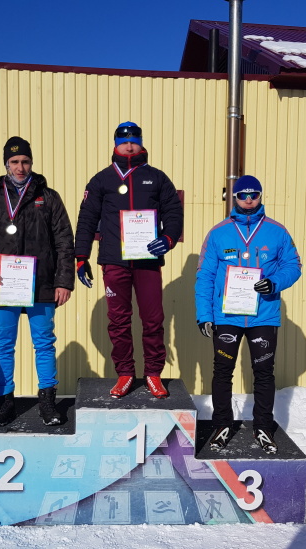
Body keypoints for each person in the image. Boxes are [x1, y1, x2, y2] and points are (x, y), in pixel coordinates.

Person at [0, 136, 74, 426]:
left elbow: (65, 241)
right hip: (5, 285)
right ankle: (4, 401)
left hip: (41, 285)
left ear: (31, 162)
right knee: (3, 344)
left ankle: (48, 401)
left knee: (44, 342)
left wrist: (64, 281)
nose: (20, 167)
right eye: (14, 162)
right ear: (6, 164)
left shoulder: (48, 197)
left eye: (25, 161)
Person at [75, 121, 183, 399]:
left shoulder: (156, 177)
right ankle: (125, 373)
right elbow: (87, 218)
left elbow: (173, 211)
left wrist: (168, 239)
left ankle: (153, 374)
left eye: (134, 139)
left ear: (141, 142)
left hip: (147, 261)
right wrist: (81, 256)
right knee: (119, 320)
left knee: (153, 319)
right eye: (124, 140)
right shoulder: (102, 180)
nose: (130, 144)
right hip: (114, 261)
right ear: (115, 144)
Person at [195, 175, 302, 454]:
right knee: (223, 371)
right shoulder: (218, 233)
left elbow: (293, 265)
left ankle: (264, 426)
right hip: (227, 315)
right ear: (235, 198)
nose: (249, 199)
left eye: (254, 194)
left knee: (264, 372)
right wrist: (204, 314)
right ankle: (221, 424)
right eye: (243, 195)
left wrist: (275, 282)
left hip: (263, 315)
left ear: (261, 196)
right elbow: (205, 275)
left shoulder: (277, 231)